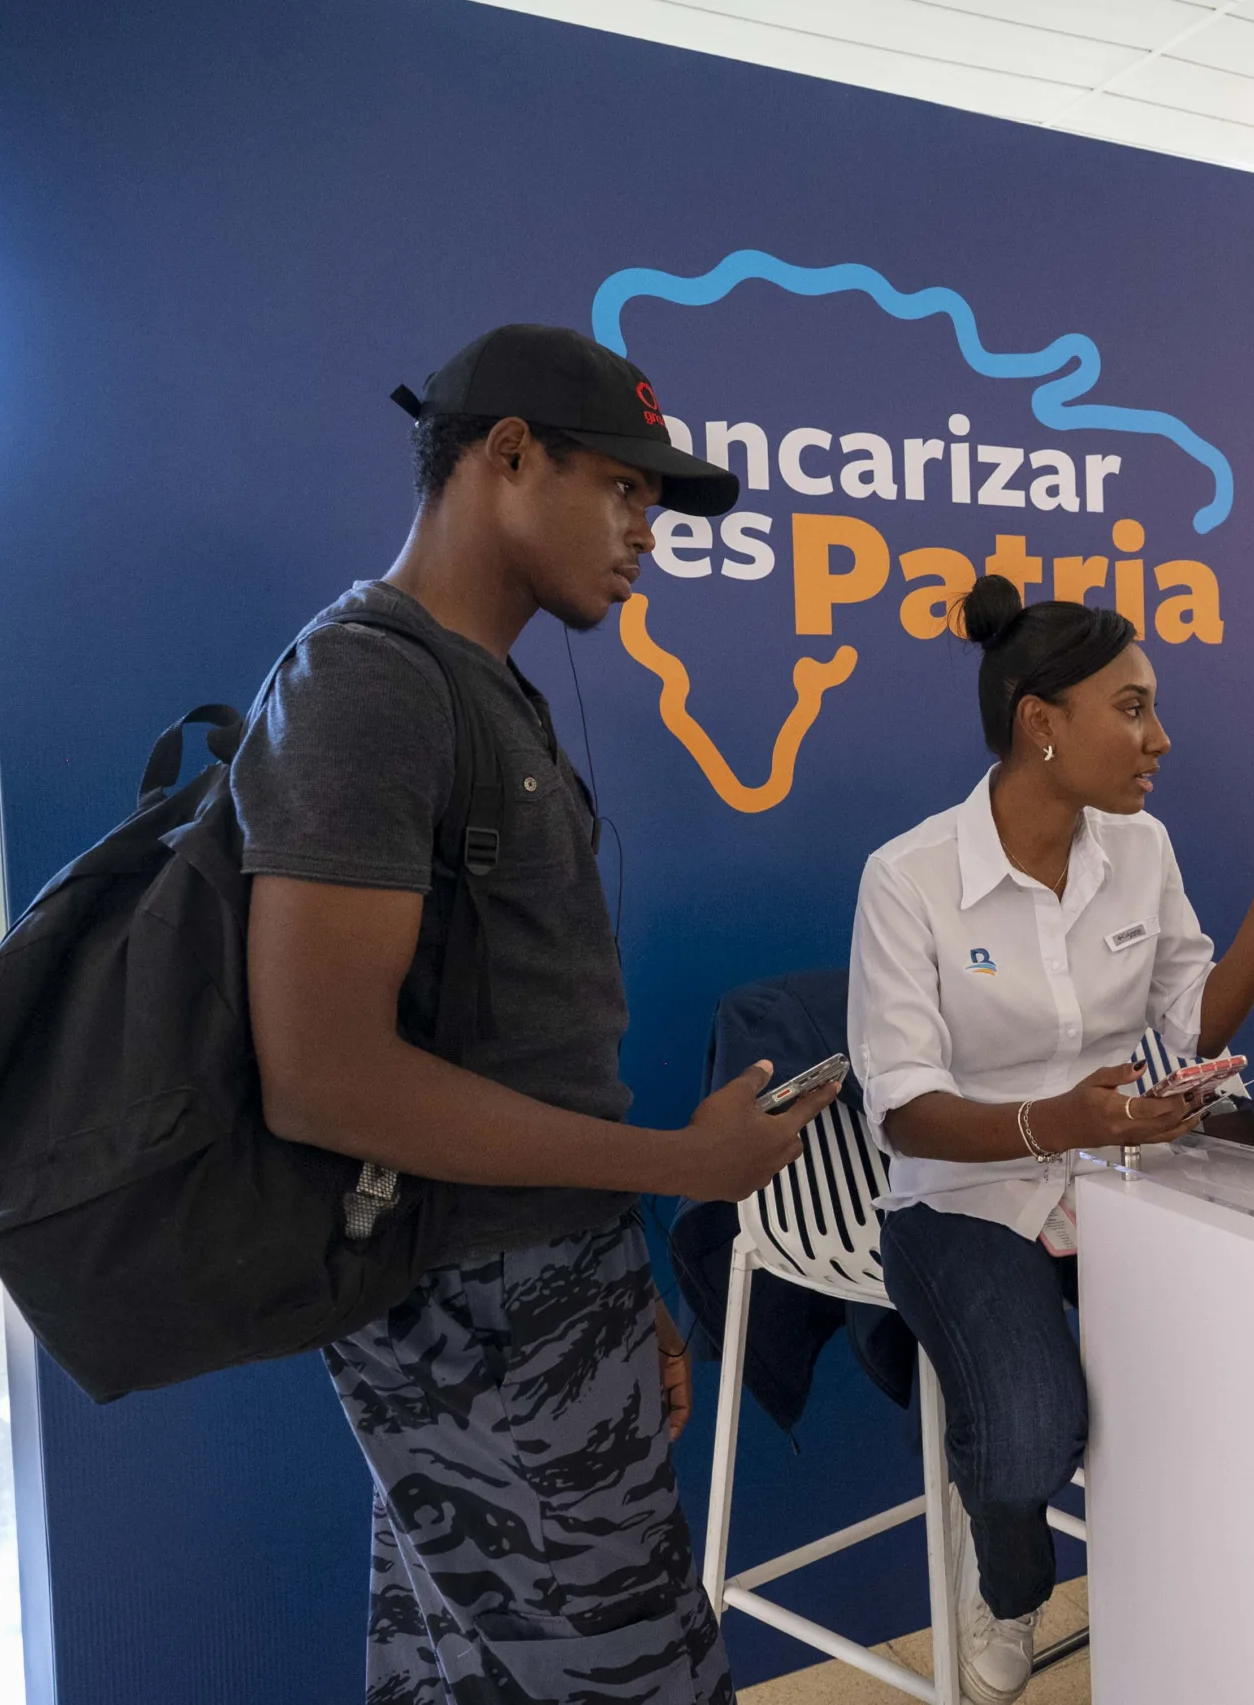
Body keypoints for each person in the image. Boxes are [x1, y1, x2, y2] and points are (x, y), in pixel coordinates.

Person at [237, 325, 837, 1702]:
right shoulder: (367, 686)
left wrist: (621, 1283)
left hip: (546, 1294)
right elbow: (322, 1078)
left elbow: (527, 1055)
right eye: (622, 488)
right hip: (469, 1318)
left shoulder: (475, 685)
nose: (645, 533)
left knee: (467, 1680)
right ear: (507, 457)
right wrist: (679, 1168)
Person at [849, 576, 1254, 1705]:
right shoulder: (908, 877)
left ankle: (1211, 1601)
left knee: (1244, 1375)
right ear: (1041, 721)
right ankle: (1008, 1585)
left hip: (1123, 1178)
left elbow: (1191, 1024)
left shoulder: (1140, 848)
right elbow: (900, 1106)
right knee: (1033, 1441)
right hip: (961, 1196)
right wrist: (1059, 1121)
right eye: (1131, 707)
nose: (1160, 738)